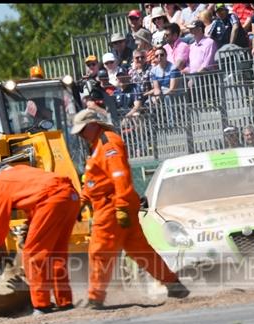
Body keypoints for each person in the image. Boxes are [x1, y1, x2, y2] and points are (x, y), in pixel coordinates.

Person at [70, 109, 190, 308]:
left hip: (112, 207)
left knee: (100, 252)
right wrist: (83, 200)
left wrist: (121, 207)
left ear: (93, 124)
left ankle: (95, 298)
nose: (81, 135)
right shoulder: (99, 144)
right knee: (140, 250)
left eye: (82, 130)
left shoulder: (108, 144)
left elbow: (120, 177)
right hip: (116, 205)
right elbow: (96, 181)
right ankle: (174, 285)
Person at [0, 163, 81, 315]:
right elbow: (38, 199)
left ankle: (41, 305)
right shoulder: (22, 172)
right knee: (57, 254)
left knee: (32, 254)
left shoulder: (1, 183)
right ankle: (65, 301)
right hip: (71, 196)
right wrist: (28, 226)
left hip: (53, 199)